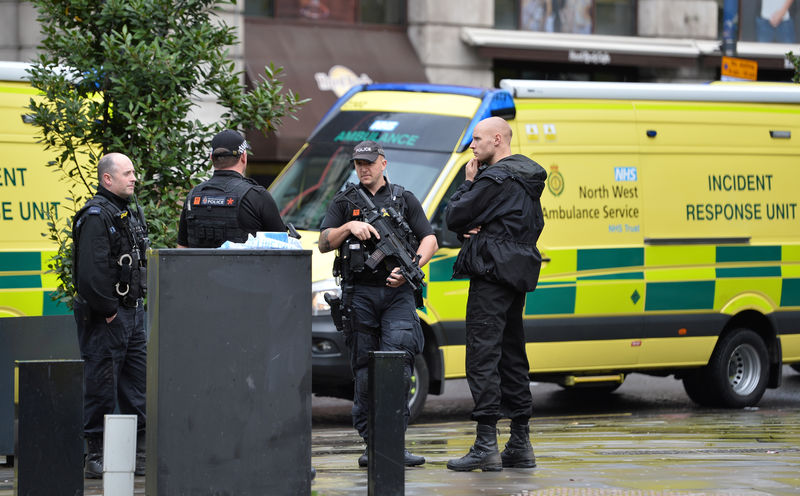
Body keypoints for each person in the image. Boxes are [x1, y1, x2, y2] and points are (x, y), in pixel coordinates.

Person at [318, 140, 438, 468]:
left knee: (398, 367)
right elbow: (324, 242)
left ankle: (394, 443)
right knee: (364, 370)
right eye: (358, 163)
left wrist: (411, 265)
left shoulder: (403, 198)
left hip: (397, 294)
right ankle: (371, 443)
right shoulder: (345, 201)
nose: (364, 168)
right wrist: (348, 227)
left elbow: (430, 238)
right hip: (360, 295)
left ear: (383, 163)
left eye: (369, 162)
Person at [444, 117, 546, 472]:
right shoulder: (529, 180)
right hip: (515, 274)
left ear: (497, 140)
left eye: (477, 139)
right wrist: (483, 228)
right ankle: (520, 442)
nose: (472, 146)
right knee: (513, 355)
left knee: (483, 355)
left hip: (490, 274)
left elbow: (454, 216)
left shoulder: (493, 178)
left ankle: (486, 444)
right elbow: (529, 226)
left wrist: (468, 184)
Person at [72, 152, 149, 478]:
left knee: (137, 386)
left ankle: (140, 453)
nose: (134, 178)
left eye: (134, 172)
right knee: (101, 384)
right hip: (108, 316)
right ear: (108, 179)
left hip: (131, 313)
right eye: (128, 173)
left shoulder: (126, 212)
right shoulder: (95, 216)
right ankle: (96, 456)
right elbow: (89, 275)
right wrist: (108, 313)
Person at [177, 129, 285, 248]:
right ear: (243, 157)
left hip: (198, 267)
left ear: (211, 158)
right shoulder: (257, 196)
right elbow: (283, 249)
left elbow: (181, 249)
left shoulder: (193, 196)